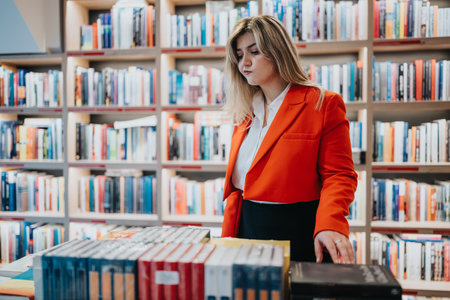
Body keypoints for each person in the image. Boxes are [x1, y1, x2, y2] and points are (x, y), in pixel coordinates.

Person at [221, 15, 358, 264]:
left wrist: (331, 223)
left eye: (254, 51)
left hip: (297, 233)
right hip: (245, 232)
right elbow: (240, 185)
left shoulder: (322, 103)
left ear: (278, 52)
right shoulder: (244, 113)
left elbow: (340, 175)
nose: (245, 63)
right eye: (239, 55)